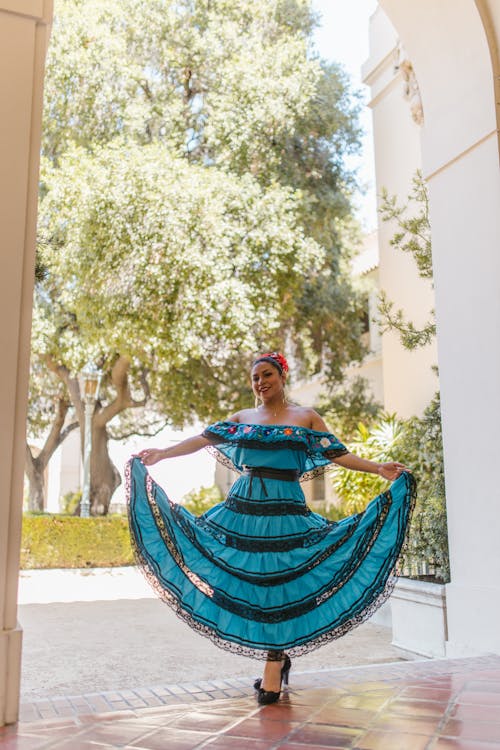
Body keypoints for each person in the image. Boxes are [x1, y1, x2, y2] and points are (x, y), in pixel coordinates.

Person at [128, 352, 414, 705]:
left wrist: (377, 468)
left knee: (281, 586)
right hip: (242, 510)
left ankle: (274, 662)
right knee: (251, 587)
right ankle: (276, 656)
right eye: (255, 378)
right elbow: (202, 440)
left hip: (286, 510)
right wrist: (163, 453)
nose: (260, 382)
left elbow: (338, 455)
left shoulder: (306, 417)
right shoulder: (242, 417)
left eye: (267, 375)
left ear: (282, 376)